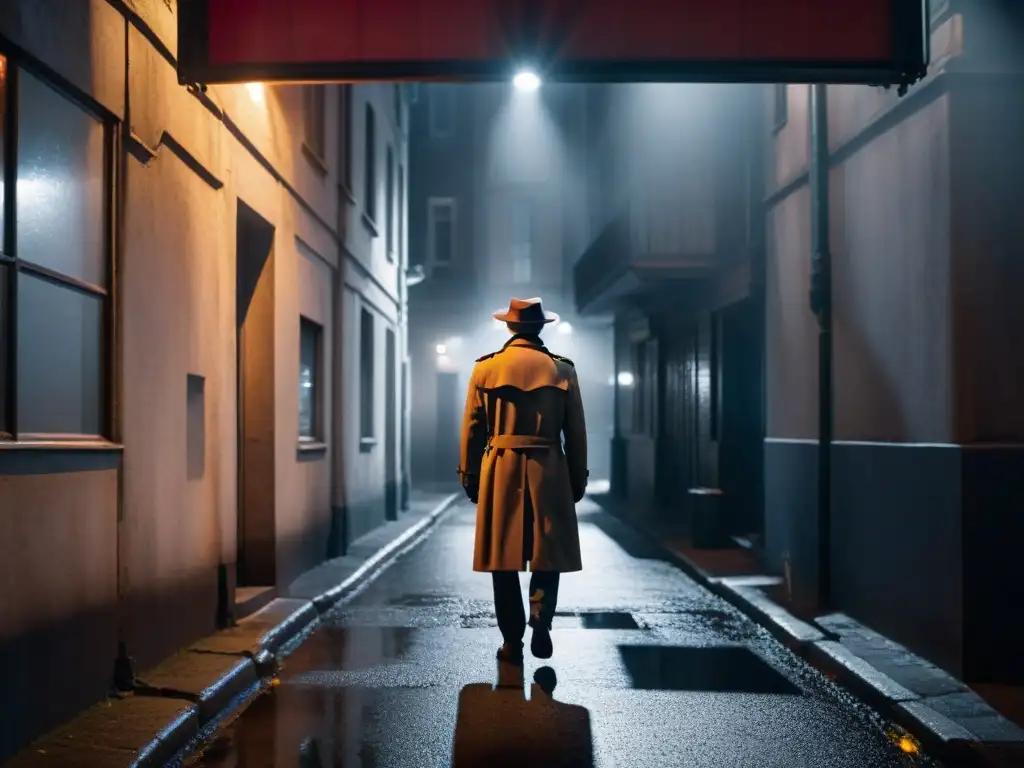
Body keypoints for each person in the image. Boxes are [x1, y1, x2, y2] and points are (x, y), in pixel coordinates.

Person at [458, 297, 588, 665]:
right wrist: (577, 477)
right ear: (541, 327)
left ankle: (511, 639)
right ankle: (540, 620)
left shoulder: (486, 369)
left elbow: (472, 428)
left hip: (501, 465)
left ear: (509, 327)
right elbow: (576, 432)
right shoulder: (562, 371)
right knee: (548, 553)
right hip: (549, 465)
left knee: (503, 557)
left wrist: (469, 475)